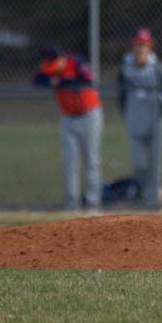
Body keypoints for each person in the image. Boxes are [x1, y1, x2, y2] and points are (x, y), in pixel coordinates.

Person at [32, 45, 103, 210]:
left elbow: (88, 80)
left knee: (91, 160)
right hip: (68, 117)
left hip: (89, 115)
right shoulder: (49, 69)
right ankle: (71, 202)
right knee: (69, 161)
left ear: (62, 58)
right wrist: (52, 81)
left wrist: (62, 82)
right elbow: (36, 80)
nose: (51, 68)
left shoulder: (76, 63)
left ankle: (93, 202)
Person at [118, 28, 162, 207]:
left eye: (144, 45)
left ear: (150, 48)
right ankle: (145, 193)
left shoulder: (158, 68)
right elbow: (121, 95)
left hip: (156, 121)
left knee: (156, 163)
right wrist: (126, 113)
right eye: (138, 45)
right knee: (139, 163)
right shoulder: (125, 68)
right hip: (135, 119)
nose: (140, 49)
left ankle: (154, 198)